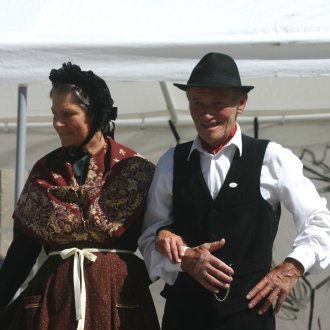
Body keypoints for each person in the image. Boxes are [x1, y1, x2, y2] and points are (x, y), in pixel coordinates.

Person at [138, 52, 330, 330]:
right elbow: (149, 236)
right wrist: (182, 257)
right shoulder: (172, 161)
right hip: (184, 315)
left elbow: (319, 220)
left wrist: (292, 267)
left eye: (218, 103)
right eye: (197, 103)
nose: (206, 114)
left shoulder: (272, 158)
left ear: (241, 103)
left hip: (249, 316)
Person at [0, 62, 160, 330]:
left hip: (118, 303)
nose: (57, 124)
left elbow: (158, 241)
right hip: (54, 306)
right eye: (54, 114)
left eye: (68, 114)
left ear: (95, 114)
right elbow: (21, 255)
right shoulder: (45, 171)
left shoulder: (134, 169)